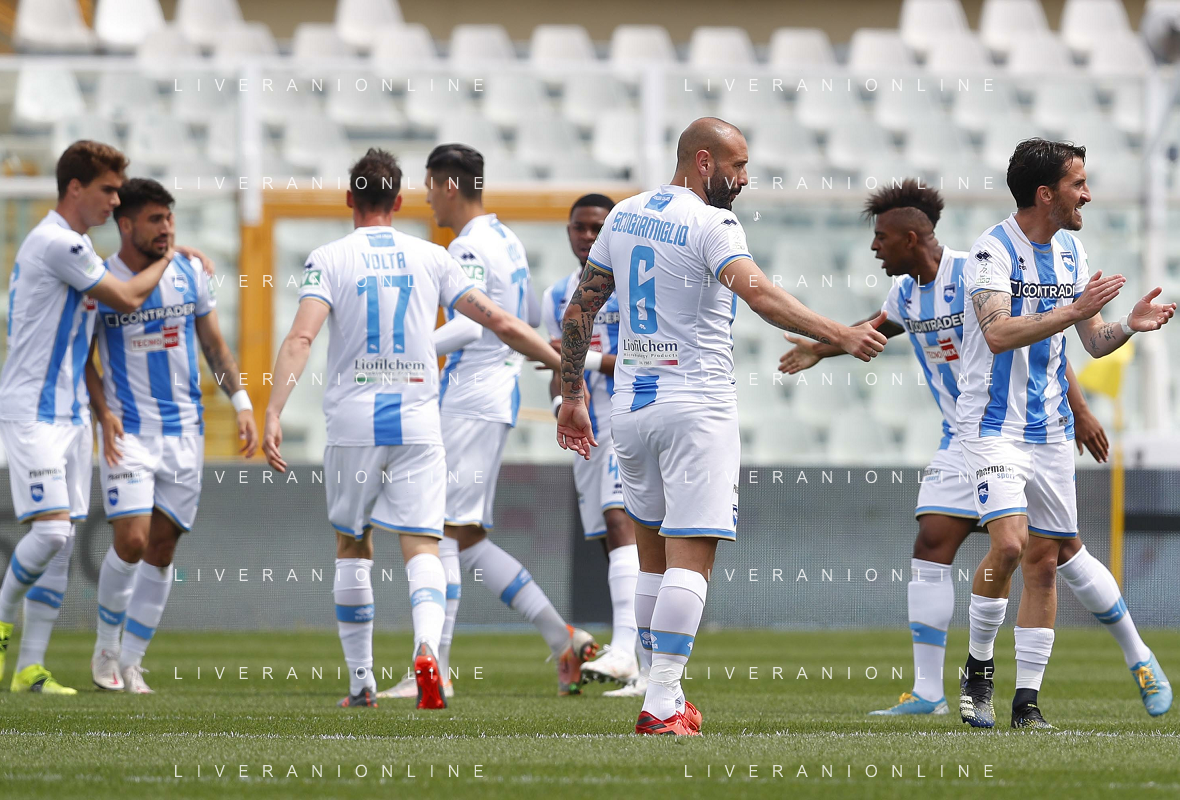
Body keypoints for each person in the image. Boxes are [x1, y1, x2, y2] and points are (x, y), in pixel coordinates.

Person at [781, 179, 1168, 719]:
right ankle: (929, 691)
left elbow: (1043, 343)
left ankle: (1138, 655)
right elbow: (873, 328)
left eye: (881, 238)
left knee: (1058, 553)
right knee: (934, 542)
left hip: (1022, 428)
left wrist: (1079, 411)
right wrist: (820, 350)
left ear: (911, 238)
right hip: (965, 434)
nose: (873, 247)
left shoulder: (976, 269)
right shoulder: (904, 295)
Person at [557, 117, 888, 734]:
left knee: (652, 560)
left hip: (631, 408)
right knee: (690, 558)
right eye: (737, 166)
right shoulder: (713, 224)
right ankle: (662, 702)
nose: (744, 178)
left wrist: (571, 393)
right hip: (695, 407)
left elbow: (581, 309)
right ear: (703, 162)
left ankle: (662, 692)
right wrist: (840, 332)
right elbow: (759, 295)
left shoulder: (624, 215)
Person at [263, 148, 563, 709]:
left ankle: (361, 684)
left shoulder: (328, 258)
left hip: (354, 422)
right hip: (420, 422)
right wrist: (562, 362)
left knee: (353, 543)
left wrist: (274, 410)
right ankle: (428, 650)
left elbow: (301, 338)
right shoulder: (432, 256)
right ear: (399, 201)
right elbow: (499, 321)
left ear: (349, 198)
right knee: (425, 542)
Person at [0, 141, 212, 694]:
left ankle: (31, 668)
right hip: (32, 409)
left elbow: (91, 330)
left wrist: (101, 410)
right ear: (75, 188)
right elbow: (127, 298)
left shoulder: (78, 247)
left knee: (59, 543)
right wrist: (169, 257)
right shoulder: (56, 243)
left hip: (72, 412)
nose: (114, 200)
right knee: (52, 532)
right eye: (107, 189)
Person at [956, 139, 1174, 729]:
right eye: (1078, 183)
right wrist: (1074, 312)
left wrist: (1129, 326)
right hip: (994, 427)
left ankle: (1027, 704)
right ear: (1046, 194)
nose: (1088, 194)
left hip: (1050, 431)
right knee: (1008, 545)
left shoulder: (1072, 251)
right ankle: (978, 668)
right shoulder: (992, 251)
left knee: (1045, 563)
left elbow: (1092, 341)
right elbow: (998, 333)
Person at [377, 144, 597, 700]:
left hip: (469, 397)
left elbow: (471, 326)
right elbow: (522, 317)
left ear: (449, 186)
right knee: (467, 536)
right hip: (494, 395)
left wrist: (405, 352)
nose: (427, 198)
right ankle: (562, 638)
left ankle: (437, 668)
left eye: (430, 186)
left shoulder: (469, 246)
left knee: (438, 529)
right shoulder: (506, 238)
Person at [85, 178, 257, 694]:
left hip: (185, 432)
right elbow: (83, 358)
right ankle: (106, 646)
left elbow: (215, 347)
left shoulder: (189, 273)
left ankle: (132, 662)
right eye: (155, 219)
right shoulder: (99, 281)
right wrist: (102, 413)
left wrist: (242, 404)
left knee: (161, 549)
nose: (167, 228)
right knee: (132, 540)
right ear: (126, 225)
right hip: (129, 432)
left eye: (170, 218)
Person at [544, 193, 649, 695]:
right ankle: (644, 662)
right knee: (613, 539)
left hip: (629, 413)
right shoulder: (557, 295)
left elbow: (642, 354)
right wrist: (561, 397)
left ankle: (625, 651)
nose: (587, 236)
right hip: (586, 422)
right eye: (579, 227)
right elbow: (557, 367)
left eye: (597, 227)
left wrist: (580, 360)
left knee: (620, 520)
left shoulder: (632, 285)